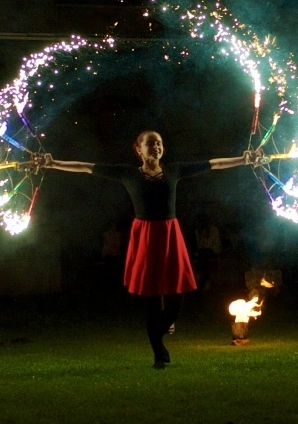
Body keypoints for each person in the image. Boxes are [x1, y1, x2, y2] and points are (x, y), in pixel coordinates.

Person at [37, 132, 260, 368]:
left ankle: (161, 332)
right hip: (145, 237)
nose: (156, 147)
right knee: (153, 299)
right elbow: (85, 167)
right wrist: (52, 163)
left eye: (159, 143)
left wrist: (243, 159)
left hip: (169, 235)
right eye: (150, 143)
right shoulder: (128, 174)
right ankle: (158, 353)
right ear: (139, 149)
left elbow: (213, 164)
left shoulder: (173, 170)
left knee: (176, 299)